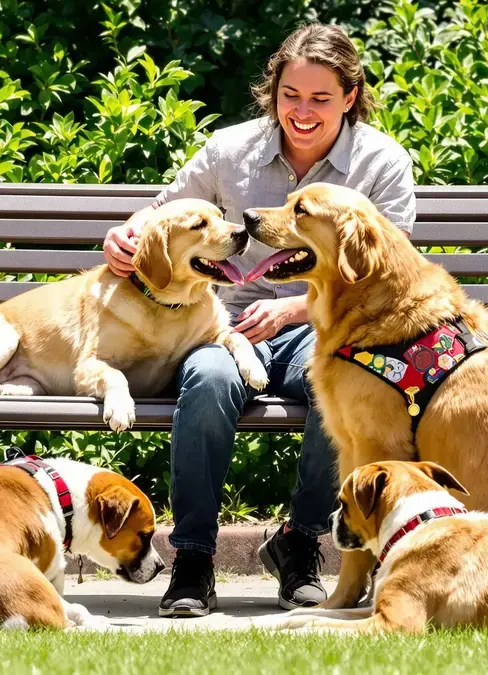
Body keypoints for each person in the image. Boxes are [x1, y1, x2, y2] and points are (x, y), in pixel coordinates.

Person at [102, 22, 417, 617]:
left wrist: (296, 307)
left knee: (345, 388)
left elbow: (385, 273)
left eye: (321, 99)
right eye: (290, 96)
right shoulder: (231, 150)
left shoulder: (382, 165)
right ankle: (193, 559)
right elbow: (164, 213)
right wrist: (127, 232)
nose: (302, 112)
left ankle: (300, 545)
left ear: (350, 97)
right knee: (209, 382)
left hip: (324, 327)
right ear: (272, 92)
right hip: (218, 324)